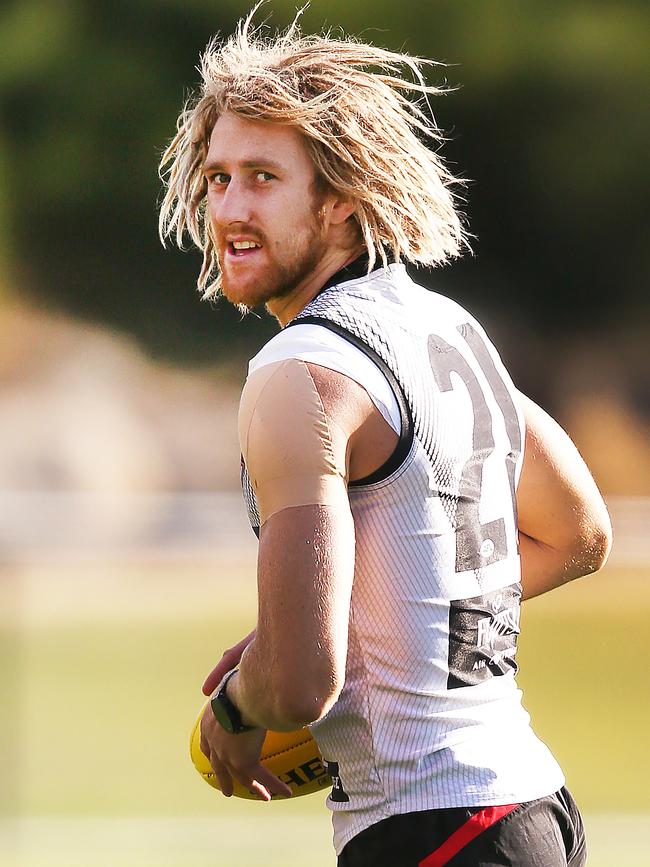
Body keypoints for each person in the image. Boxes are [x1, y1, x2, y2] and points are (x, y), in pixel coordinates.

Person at [159, 9, 612, 866]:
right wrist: (401, 629)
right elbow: (577, 531)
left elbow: (298, 681)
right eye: (217, 178)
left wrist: (233, 715)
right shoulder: (444, 325)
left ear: (340, 199)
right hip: (531, 808)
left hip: (434, 827)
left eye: (262, 176)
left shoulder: (298, 373)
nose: (229, 207)